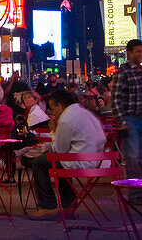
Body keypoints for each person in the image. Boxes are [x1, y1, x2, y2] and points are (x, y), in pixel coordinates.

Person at [26, 88, 107, 220]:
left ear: (60, 105)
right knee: (60, 163)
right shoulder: (84, 113)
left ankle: (48, 207)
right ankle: (69, 206)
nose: (52, 112)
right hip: (99, 161)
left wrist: (53, 131)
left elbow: (59, 150)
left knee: (40, 163)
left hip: (80, 162)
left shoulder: (66, 119)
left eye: (53, 108)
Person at [111, 38, 142, 206]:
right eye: (138, 51)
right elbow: (115, 100)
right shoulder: (122, 73)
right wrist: (121, 121)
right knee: (132, 158)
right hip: (130, 119)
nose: (141, 54)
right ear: (129, 53)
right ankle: (135, 194)